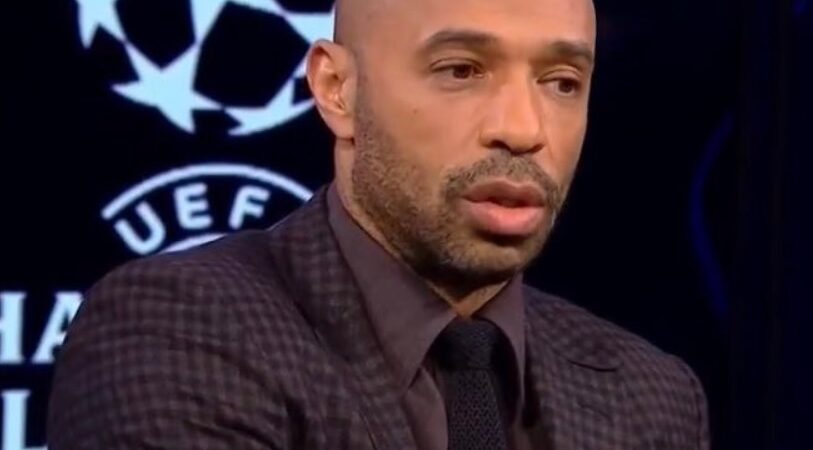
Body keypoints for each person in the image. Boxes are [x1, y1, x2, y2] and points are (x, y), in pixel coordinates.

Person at [47, 0, 710, 448]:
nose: (522, 128)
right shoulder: (180, 329)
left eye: (562, 82)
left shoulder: (650, 395)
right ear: (337, 89)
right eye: (460, 71)